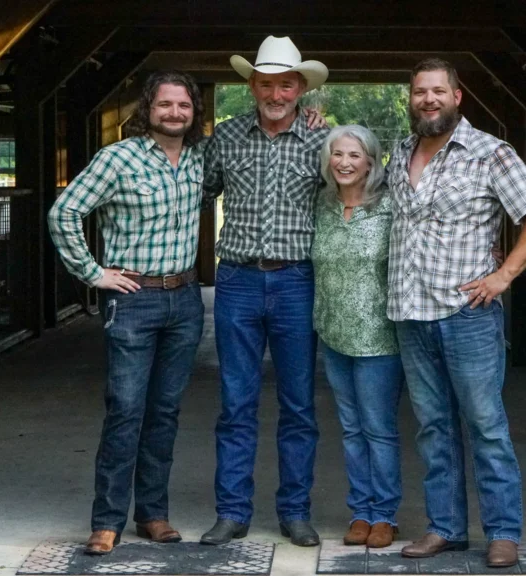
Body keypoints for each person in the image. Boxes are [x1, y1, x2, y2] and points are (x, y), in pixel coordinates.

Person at [386, 58, 526, 567]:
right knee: (432, 427)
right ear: (411, 99)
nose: (429, 100)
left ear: (457, 97)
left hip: (467, 314)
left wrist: (505, 274)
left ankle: (503, 531)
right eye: (420, 92)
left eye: (439, 91)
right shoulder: (400, 154)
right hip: (410, 313)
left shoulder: (489, 153)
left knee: (485, 425)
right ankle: (445, 528)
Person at [47, 70, 207, 556]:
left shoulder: (201, 159)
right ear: (148, 108)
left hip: (185, 299)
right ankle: (107, 520)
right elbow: (64, 212)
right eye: (165, 105)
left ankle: (153, 514)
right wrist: (92, 273)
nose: (174, 113)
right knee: (126, 410)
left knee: (165, 412)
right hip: (133, 298)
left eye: (183, 105)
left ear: (194, 111)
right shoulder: (117, 158)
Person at [199, 35, 330, 547]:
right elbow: (194, 191)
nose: (276, 93)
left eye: (286, 84)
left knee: (299, 404)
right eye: (267, 83)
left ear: (301, 89)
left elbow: (354, 196)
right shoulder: (226, 137)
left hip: (298, 280)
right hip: (237, 281)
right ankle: (232, 512)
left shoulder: (323, 143)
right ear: (252, 85)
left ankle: (295, 511)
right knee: (236, 402)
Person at [311, 125, 403, 549]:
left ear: (371, 161)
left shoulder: (390, 207)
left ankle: (385, 516)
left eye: (354, 155)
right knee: (350, 428)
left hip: (379, 338)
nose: (345, 162)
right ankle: (360, 512)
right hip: (333, 333)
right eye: (337, 154)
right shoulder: (322, 204)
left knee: (378, 429)